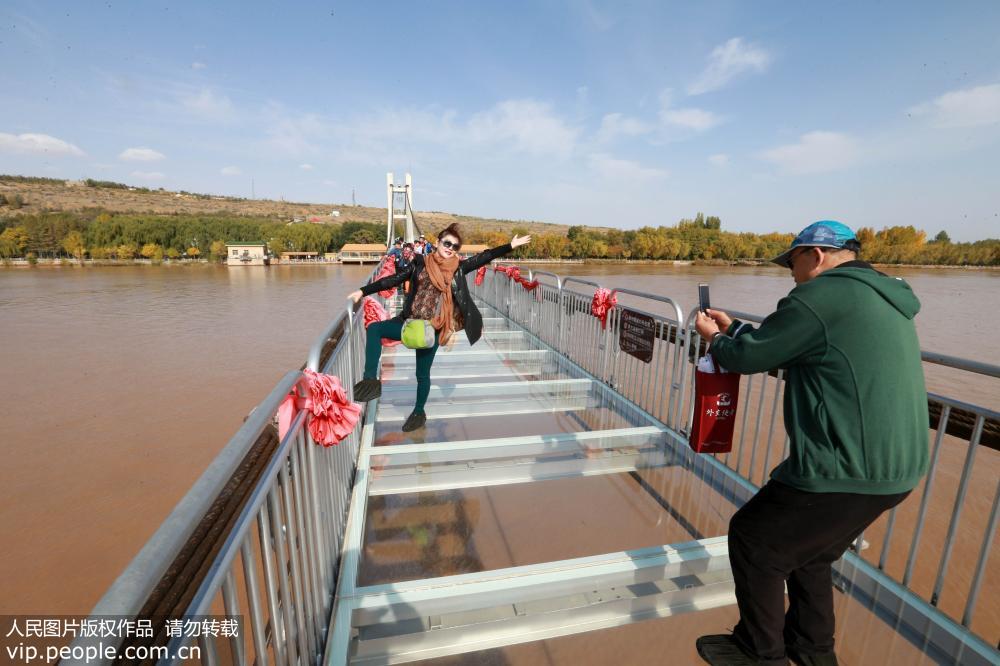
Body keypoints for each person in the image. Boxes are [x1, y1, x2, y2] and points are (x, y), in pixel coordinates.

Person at [693, 220, 929, 666]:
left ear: (815, 256)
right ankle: (814, 654)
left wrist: (716, 339)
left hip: (844, 468)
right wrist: (738, 329)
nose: (790, 272)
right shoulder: (881, 294)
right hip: (899, 467)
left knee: (754, 541)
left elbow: (747, 359)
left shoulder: (819, 295)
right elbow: (789, 345)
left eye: (792, 262)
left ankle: (759, 652)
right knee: (810, 557)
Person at [348, 224, 531, 431]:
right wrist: (363, 291)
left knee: (422, 375)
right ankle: (371, 381)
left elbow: (484, 257)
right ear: (436, 243)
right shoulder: (418, 264)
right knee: (375, 329)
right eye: (447, 243)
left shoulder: (458, 269)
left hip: (432, 328)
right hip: (407, 321)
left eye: (455, 246)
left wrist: (510, 246)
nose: (451, 248)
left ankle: (418, 413)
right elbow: (392, 279)